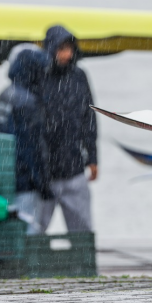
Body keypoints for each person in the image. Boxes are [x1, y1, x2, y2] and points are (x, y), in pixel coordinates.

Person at [38, 25, 97, 232]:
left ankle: (82, 263)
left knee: (83, 231)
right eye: (61, 49)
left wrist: (92, 157)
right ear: (51, 49)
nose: (67, 54)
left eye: (70, 49)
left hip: (74, 170)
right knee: (34, 232)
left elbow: (89, 119)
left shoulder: (79, 76)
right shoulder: (38, 76)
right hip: (44, 175)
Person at [0, 44, 53, 235]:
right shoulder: (28, 102)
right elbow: (32, 148)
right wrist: (43, 184)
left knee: (9, 231)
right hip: (25, 181)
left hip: (5, 175)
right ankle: (25, 264)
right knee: (28, 231)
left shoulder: (5, 94)